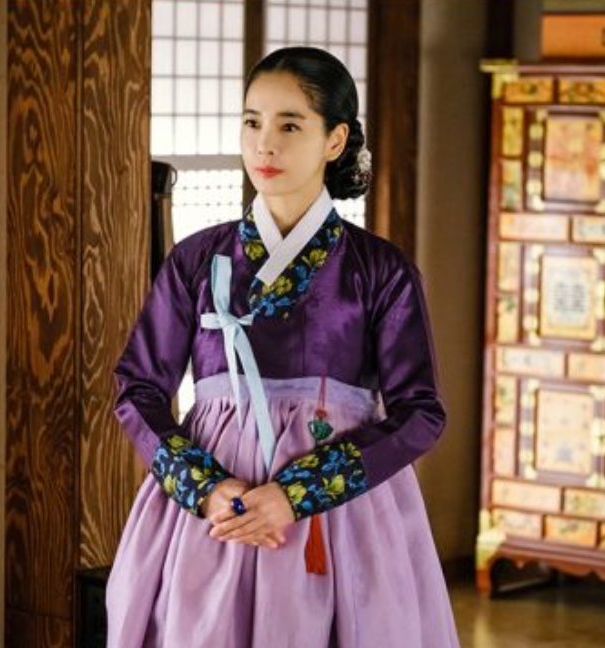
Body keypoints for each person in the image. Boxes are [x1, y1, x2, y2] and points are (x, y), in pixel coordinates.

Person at [106, 46, 459, 648]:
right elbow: (137, 389)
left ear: (334, 140)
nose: (264, 144)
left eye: (289, 126)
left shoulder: (380, 270)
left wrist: (298, 494)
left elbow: (420, 413)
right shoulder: (197, 259)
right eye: (252, 122)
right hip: (214, 512)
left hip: (337, 515)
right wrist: (206, 488)